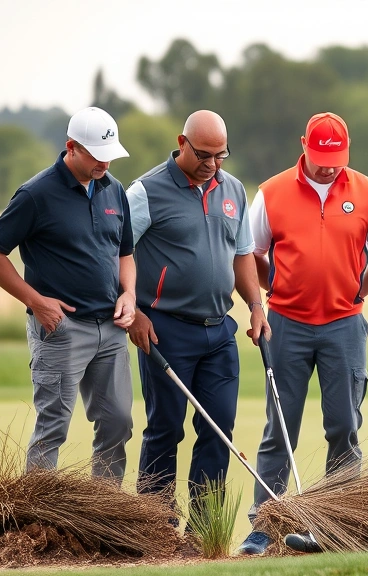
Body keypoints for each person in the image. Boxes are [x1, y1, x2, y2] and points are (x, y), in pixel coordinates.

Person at [237, 112, 368, 555]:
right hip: (286, 324)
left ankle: (339, 525)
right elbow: (248, 254)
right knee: (279, 429)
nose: (328, 167)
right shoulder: (272, 192)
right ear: (303, 144)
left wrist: (359, 288)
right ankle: (264, 526)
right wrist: (271, 291)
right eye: (321, 157)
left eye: (336, 159)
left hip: (344, 325)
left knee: (344, 426)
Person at [0, 106, 135, 482]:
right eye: (97, 155)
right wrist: (35, 301)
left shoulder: (114, 190)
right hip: (61, 329)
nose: (105, 164)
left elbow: (125, 252)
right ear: (71, 147)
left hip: (110, 330)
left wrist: (129, 293)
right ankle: (36, 523)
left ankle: (105, 515)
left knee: (118, 423)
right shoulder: (36, 194)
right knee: (53, 427)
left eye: (109, 155)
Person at [125, 110, 268, 523]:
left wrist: (256, 306)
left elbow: (241, 254)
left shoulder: (234, 189)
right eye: (203, 155)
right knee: (166, 428)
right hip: (164, 328)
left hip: (219, 329)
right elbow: (115, 255)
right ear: (181, 143)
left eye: (220, 156)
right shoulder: (146, 191)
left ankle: (206, 527)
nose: (212, 165)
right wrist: (133, 311)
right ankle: (157, 524)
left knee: (218, 428)